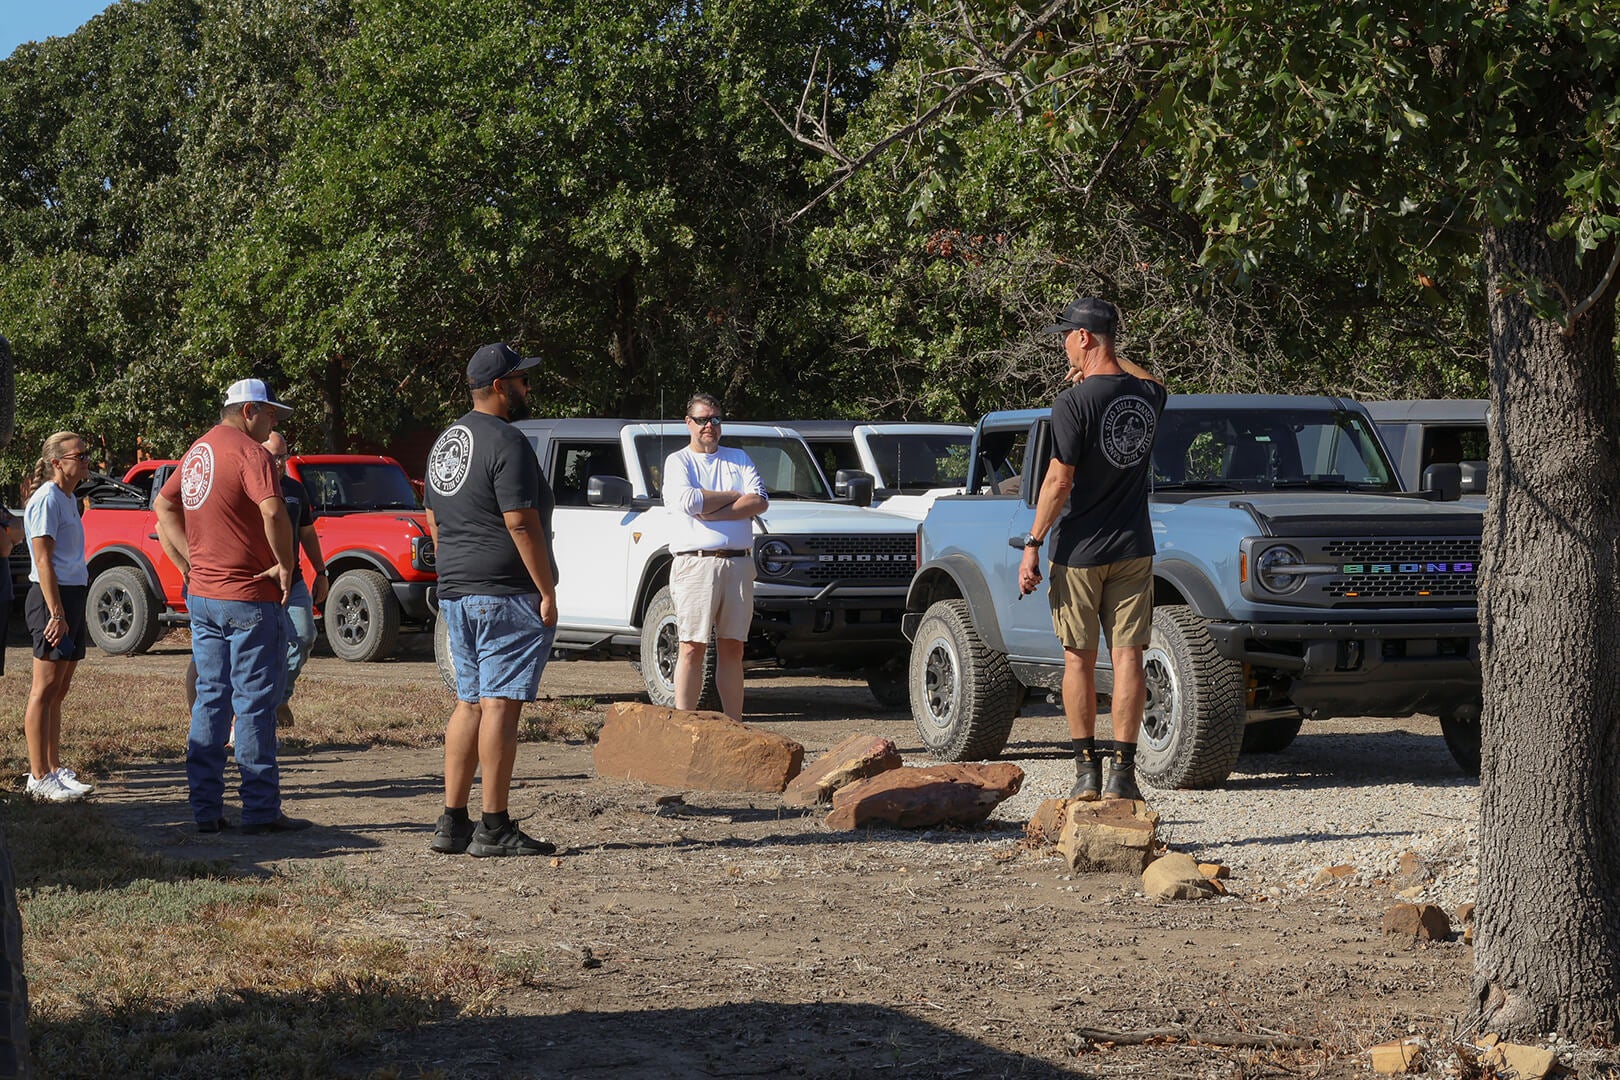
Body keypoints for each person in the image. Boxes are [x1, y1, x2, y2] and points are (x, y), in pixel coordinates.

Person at [1017, 297, 1167, 803]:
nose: (1064, 347)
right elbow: (1155, 381)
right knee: (1129, 658)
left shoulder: (1073, 403)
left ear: (1084, 338)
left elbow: (1059, 481)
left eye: (1068, 337)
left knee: (1078, 661)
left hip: (1080, 550)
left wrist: (1033, 543)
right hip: (1134, 545)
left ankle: (1087, 772)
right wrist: (1110, 358)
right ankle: (1125, 776)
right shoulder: (1146, 396)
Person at [155, 378, 309, 835]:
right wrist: (285, 564)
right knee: (255, 703)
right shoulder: (251, 453)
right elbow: (273, 511)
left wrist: (189, 563)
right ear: (248, 412)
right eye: (270, 412)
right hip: (248, 598)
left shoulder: (198, 449)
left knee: (211, 698)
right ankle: (260, 811)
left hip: (204, 596)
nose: (275, 420)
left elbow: (164, 508)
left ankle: (205, 810)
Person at [424, 342, 559, 858]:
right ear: (500, 387)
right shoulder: (508, 440)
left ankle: (451, 821)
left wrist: (455, 565)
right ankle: (494, 826)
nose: (527, 388)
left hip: (457, 588)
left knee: (469, 701)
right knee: (500, 703)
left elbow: (434, 517)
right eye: (522, 380)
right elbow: (520, 521)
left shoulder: (446, 442)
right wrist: (546, 589)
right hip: (504, 591)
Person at [660, 393, 768, 721]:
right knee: (693, 646)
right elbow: (690, 502)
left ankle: (734, 724)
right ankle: (684, 724)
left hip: (737, 563)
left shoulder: (738, 458)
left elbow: (760, 500)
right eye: (703, 419)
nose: (710, 426)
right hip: (696, 563)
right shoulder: (678, 462)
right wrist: (736, 497)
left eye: (716, 419)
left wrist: (714, 507)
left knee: (733, 647)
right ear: (688, 423)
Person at [21, 433, 94, 801]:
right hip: (52, 600)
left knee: (59, 691)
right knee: (43, 689)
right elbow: (43, 560)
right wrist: (56, 613)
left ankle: (53, 768)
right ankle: (37, 776)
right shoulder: (47, 499)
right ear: (57, 462)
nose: (86, 461)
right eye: (79, 455)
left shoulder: (68, 498)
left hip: (72, 595)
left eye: (86, 455)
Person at [264, 431, 326, 728]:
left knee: (303, 636)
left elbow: (308, 534)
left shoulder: (295, 490)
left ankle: (279, 698)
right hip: (261, 580)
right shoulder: (250, 488)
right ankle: (257, 709)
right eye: (274, 456)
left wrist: (322, 572)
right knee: (261, 647)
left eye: (283, 456)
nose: (279, 462)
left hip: (296, 580)